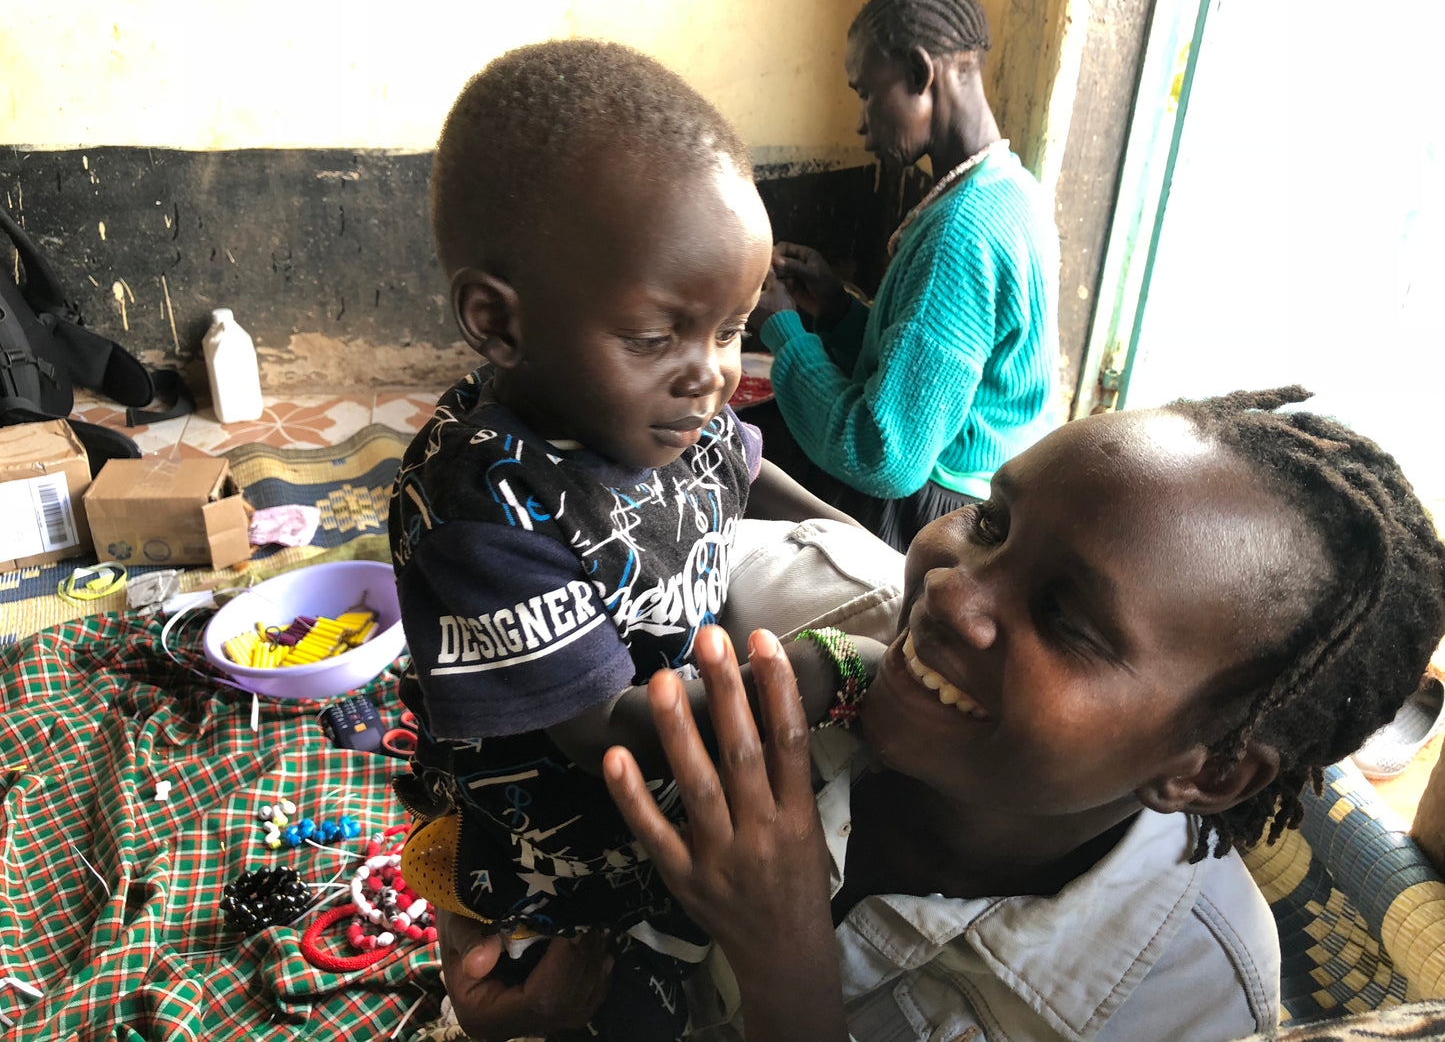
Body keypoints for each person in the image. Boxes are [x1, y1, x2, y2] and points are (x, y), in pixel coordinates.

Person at [426, 386, 1445, 1041]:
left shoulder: (1179, 1000)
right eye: (992, 522)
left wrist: (788, 976)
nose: (953, 591)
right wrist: (530, 1006)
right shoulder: (817, 637)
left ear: (1209, 772)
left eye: (1064, 616)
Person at [388, 40, 869, 1042]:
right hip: (551, 865)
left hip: (666, 821)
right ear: (499, 322)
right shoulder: (480, 497)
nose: (707, 375)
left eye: (731, 329)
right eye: (658, 337)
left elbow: (747, 466)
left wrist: (857, 542)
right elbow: (597, 729)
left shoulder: (661, 415)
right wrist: (825, 673)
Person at [744, 0, 1061, 551]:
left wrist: (784, 332)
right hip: (977, 487)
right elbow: (935, 369)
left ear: (920, 73)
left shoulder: (961, 233)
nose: (862, 126)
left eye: (866, 92)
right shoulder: (1010, 189)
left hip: (930, 513)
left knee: (732, 464)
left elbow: (883, 453)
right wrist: (836, 310)